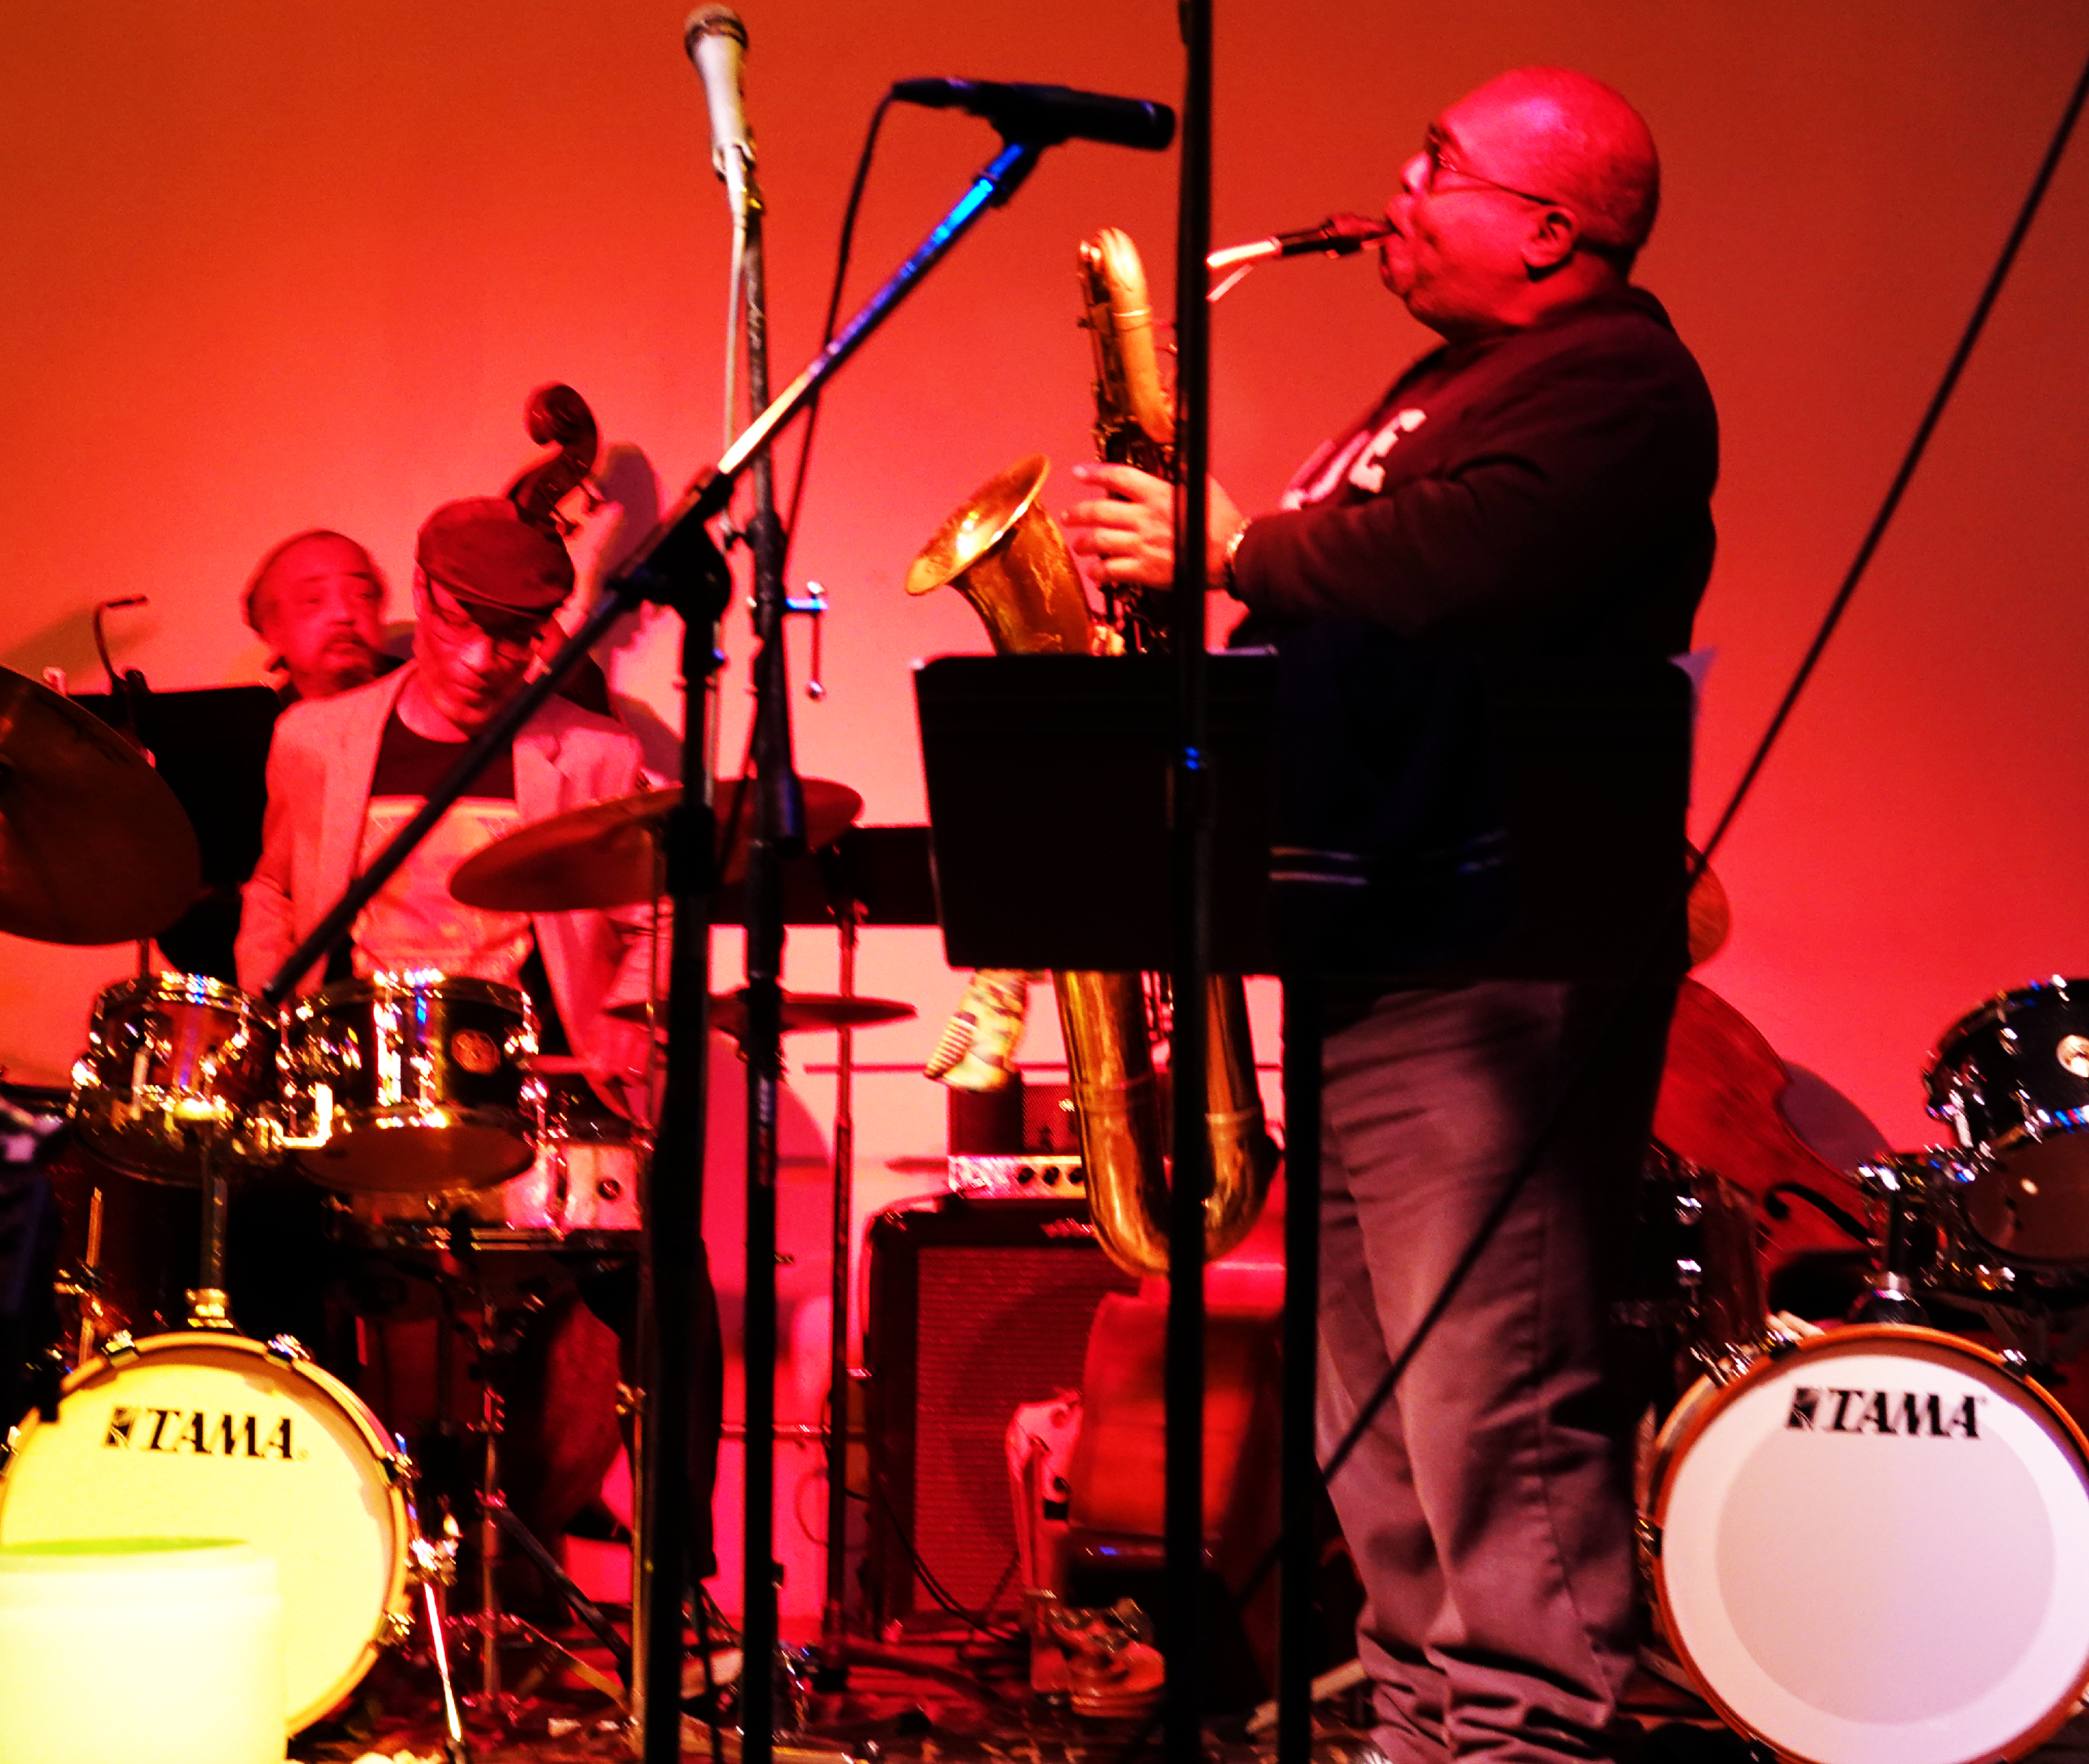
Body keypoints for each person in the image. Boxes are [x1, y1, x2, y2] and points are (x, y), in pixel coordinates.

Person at [1061, 68, 1717, 1764]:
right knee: (1372, 1415)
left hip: (1494, 953)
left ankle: (1513, 1733)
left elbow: (1458, 564)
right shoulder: (1449, 377)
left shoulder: (1617, 382)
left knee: (1483, 1397)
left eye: (1436, 163)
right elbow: (1363, 596)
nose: (1398, 189)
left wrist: (1230, 545)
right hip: (1371, 942)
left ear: (1549, 229)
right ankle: (1423, 1726)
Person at [238, 494, 720, 1586]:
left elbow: (652, 922)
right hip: (360, 1088)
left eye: (516, 634)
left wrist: (631, 1045)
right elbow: (272, 890)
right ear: (423, 594)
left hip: (525, 1091)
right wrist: (274, 1007)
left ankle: (679, 1584)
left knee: (665, 1273)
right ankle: (322, 1562)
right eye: (463, 624)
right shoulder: (315, 738)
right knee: (262, 1248)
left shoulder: (589, 752)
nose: (486, 656)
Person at [242, 529, 393, 705]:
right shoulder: (266, 727)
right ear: (273, 631)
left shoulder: (426, 700)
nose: (344, 614)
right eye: (313, 600)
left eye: (363, 595)